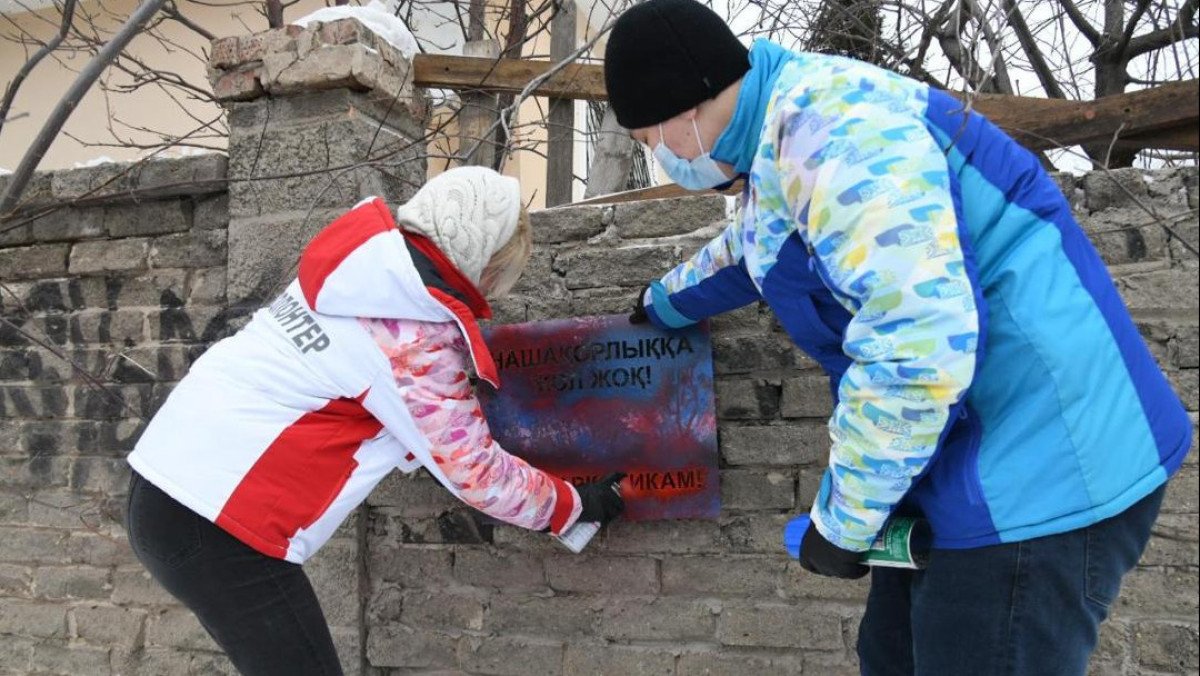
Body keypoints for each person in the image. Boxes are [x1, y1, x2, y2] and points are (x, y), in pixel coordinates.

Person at [603, 1, 1192, 673]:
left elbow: (914, 343)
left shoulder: (840, 135)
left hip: (1041, 464)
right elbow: (761, 243)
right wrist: (666, 301)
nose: (659, 158)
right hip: (959, 456)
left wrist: (842, 523)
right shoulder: (776, 143)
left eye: (651, 140)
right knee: (890, 655)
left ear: (686, 106)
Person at [124, 167, 627, 676]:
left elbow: (351, 393)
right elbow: (477, 474)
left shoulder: (361, 276)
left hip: (164, 488)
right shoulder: (414, 337)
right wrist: (573, 504)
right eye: (502, 273)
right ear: (482, 259)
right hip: (219, 527)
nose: (495, 292)